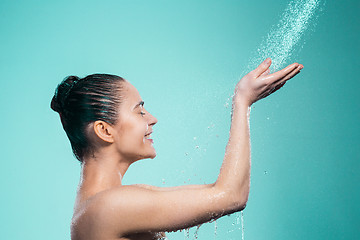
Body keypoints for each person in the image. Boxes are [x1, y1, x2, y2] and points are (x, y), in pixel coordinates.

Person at [51, 58, 303, 240]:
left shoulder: (108, 203)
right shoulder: (107, 207)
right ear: (105, 131)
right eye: (139, 111)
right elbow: (231, 196)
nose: (152, 118)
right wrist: (242, 102)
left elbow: (219, 192)